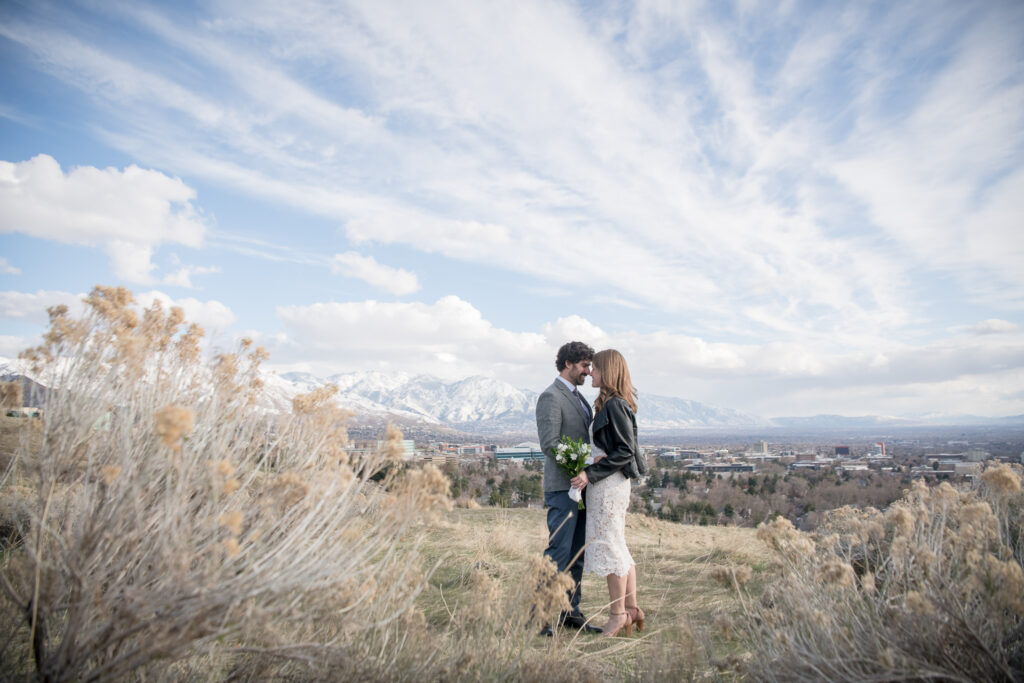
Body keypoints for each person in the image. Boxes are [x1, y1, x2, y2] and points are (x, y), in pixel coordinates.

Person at [569, 349, 645, 638]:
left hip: (609, 485)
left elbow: (625, 451)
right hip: (607, 482)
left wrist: (590, 473)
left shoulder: (614, 405)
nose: (591, 373)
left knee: (611, 547)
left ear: (608, 371)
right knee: (618, 545)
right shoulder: (611, 403)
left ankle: (617, 615)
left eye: (596, 368)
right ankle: (632, 608)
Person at [535, 341, 601, 635]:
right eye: (585, 366)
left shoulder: (579, 398)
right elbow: (550, 443)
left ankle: (570, 611)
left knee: (577, 553)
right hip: (564, 487)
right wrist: (581, 464)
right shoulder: (551, 397)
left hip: (582, 488)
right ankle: (539, 615)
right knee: (559, 552)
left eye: (589, 366)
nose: (589, 372)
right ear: (568, 364)